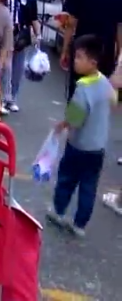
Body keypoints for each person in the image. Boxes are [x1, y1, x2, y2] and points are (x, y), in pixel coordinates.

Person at [47, 34, 116, 236]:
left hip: (78, 145)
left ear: (92, 62)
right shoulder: (105, 82)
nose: (75, 61)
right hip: (98, 147)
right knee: (89, 186)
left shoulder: (82, 88)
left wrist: (61, 125)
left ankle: (58, 211)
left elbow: (75, 119)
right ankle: (80, 224)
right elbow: (112, 102)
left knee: (67, 178)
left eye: (78, 57)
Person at [60, 0, 122, 101]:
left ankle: (74, 122)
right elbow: (121, 27)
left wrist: (65, 50)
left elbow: (70, 23)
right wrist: (119, 56)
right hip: (106, 54)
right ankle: (96, 124)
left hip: (82, 54)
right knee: (100, 98)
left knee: (79, 95)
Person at [5, 0, 41, 112]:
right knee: (5, 67)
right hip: (6, 35)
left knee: (17, 69)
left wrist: (38, 36)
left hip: (21, 38)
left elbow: (34, 19)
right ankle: (3, 97)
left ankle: (13, 98)